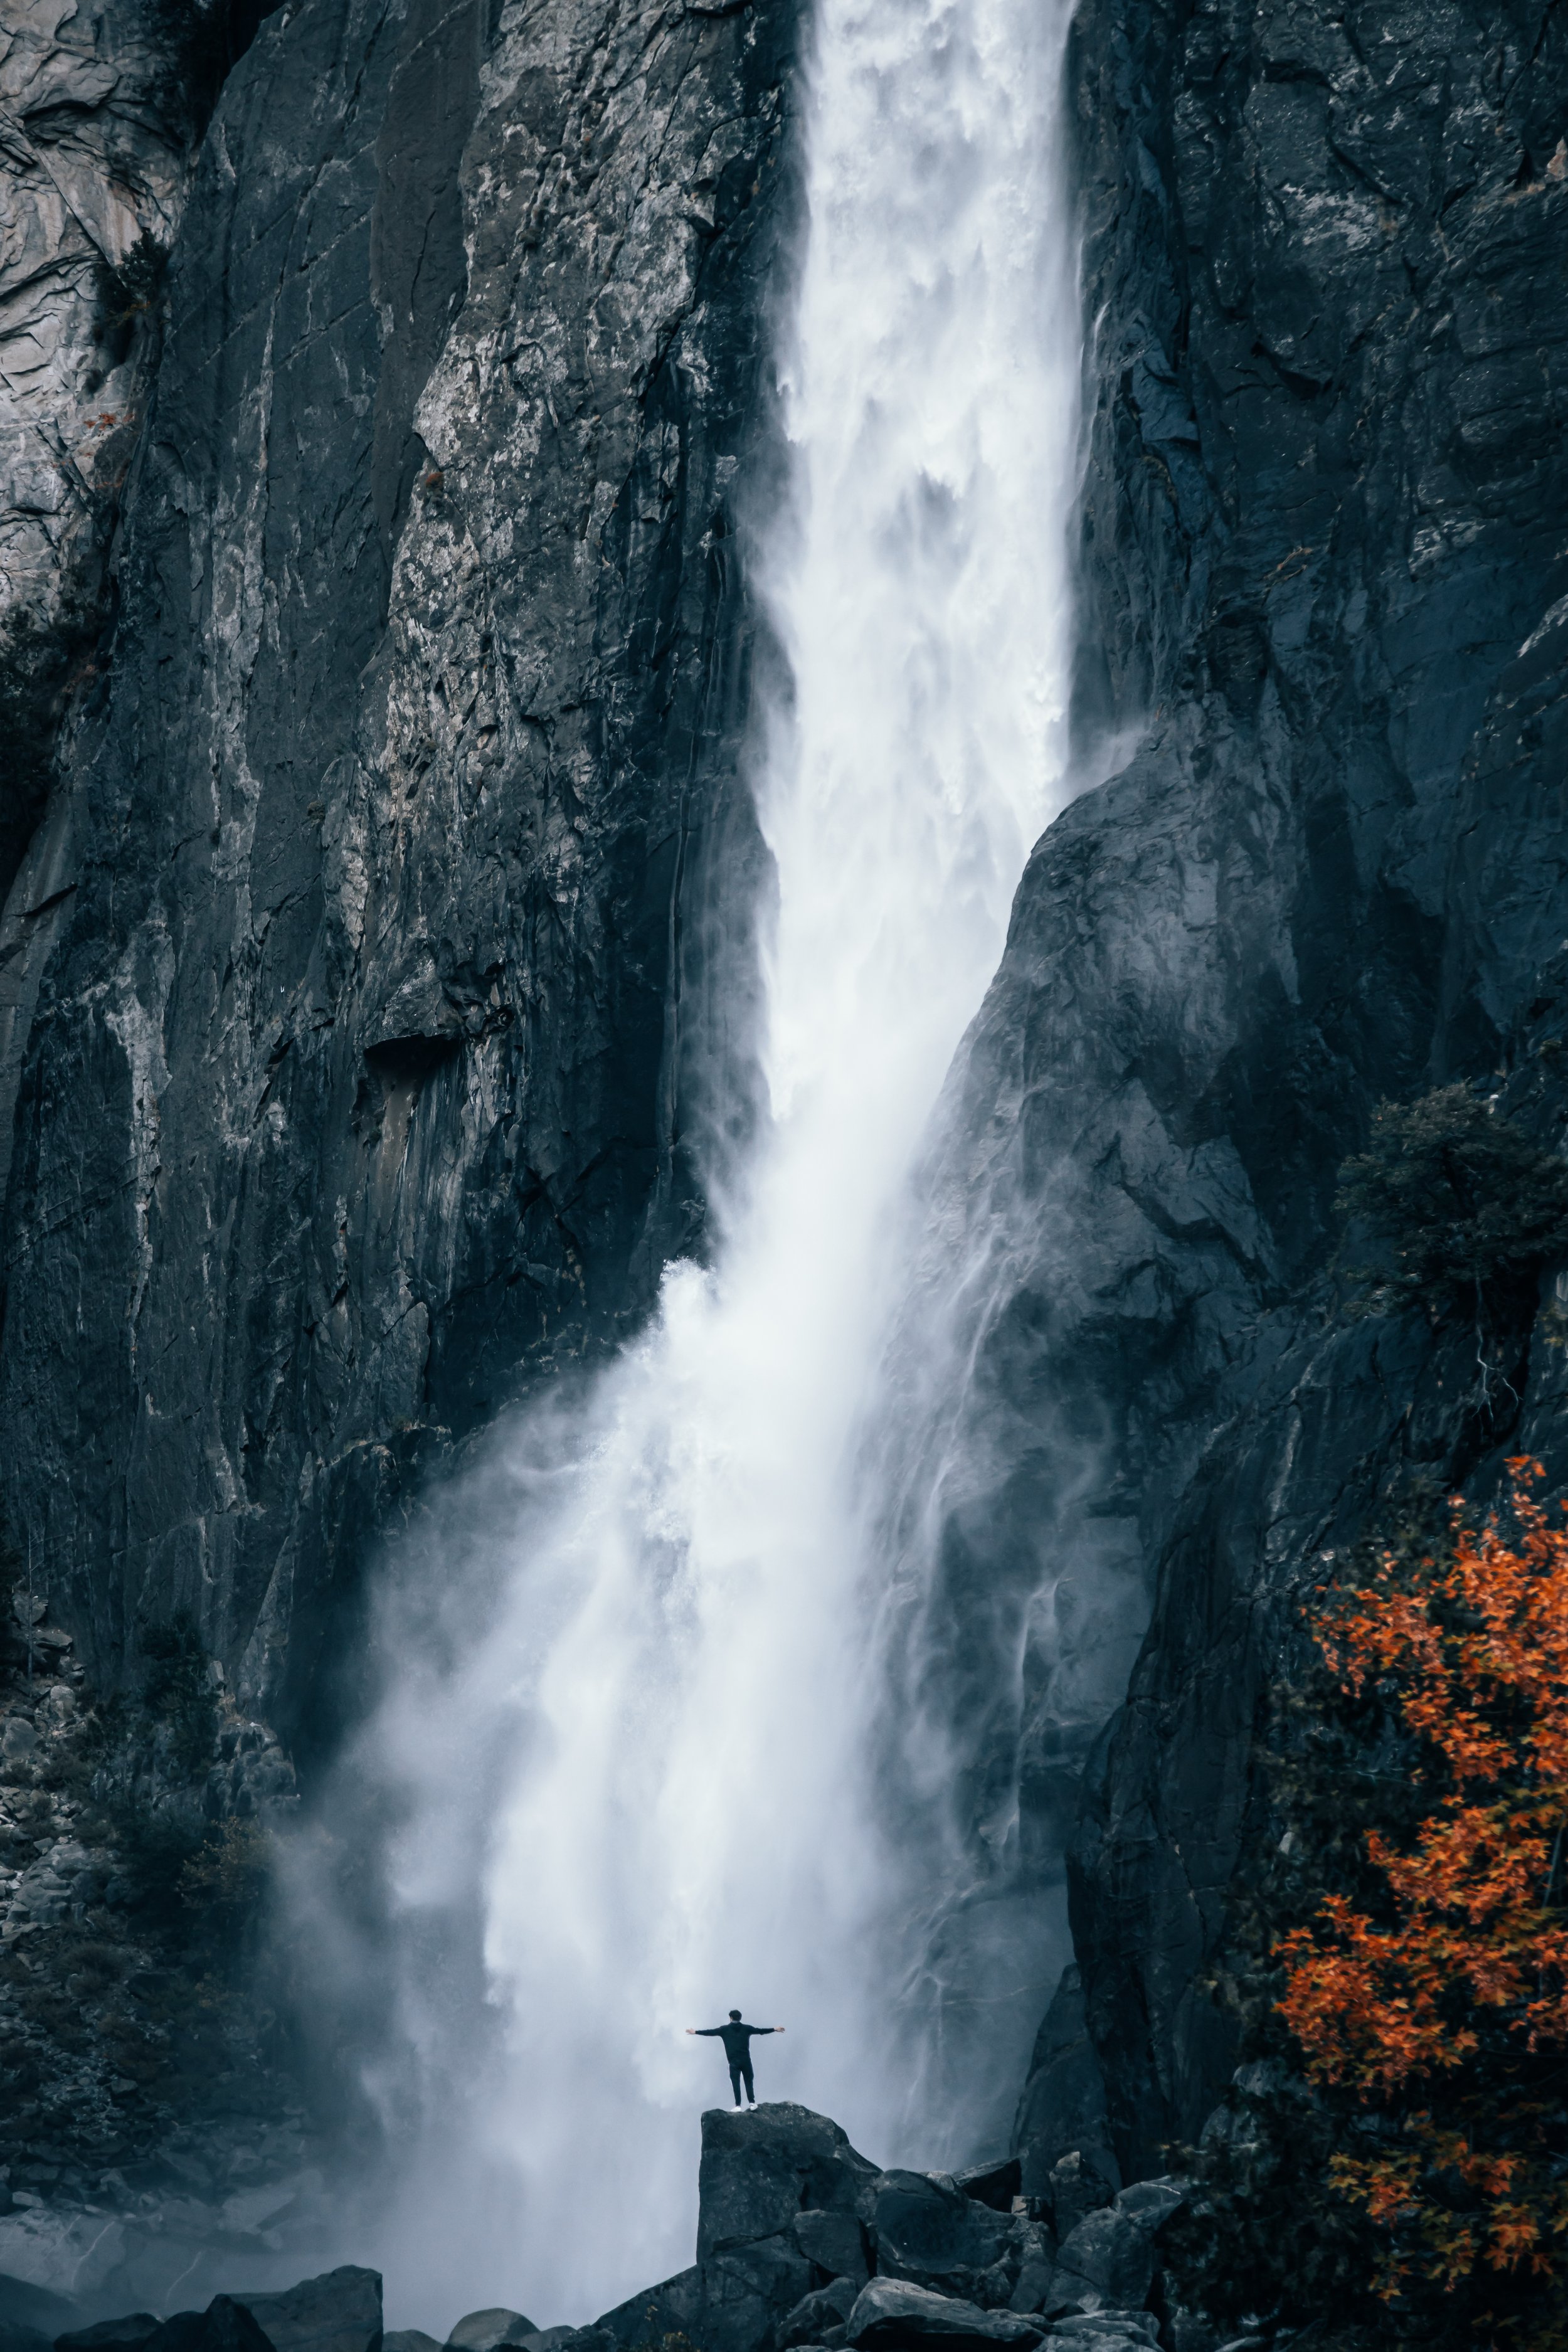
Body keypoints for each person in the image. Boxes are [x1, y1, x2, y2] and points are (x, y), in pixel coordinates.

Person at [687, 2009, 785, 2107]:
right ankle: (752, 2103)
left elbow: (710, 2032)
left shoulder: (724, 2030)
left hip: (734, 2062)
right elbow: (760, 2031)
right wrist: (775, 2029)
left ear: (731, 2018)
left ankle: (738, 2105)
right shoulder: (747, 2029)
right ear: (740, 2018)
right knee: (748, 2081)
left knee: (735, 2083)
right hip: (746, 2060)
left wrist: (695, 2032)